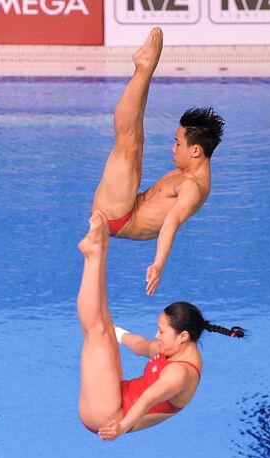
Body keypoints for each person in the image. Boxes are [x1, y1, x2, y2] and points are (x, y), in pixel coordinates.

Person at [77, 210, 243, 442]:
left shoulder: (179, 373)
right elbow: (140, 345)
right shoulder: (173, 349)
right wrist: (117, 332)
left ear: (183, 336)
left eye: (162, 331)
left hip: (109, 417)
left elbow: (146, 400)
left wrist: (121, 428)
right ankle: (100, 249)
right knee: (104, 322)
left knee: (95, 332)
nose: (157, 335)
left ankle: (92, 254)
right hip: (116, 396)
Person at [92, 27, 224, 296]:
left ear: (196, 150)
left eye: (178, 143)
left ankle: (144, 68)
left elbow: (171, 224)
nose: (173, 148)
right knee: (136, 139)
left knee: (128, 143)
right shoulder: (189, 171)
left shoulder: (192, 187)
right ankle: (145, 69)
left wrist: (158, 264)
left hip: (118, 216)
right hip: (128, 205)